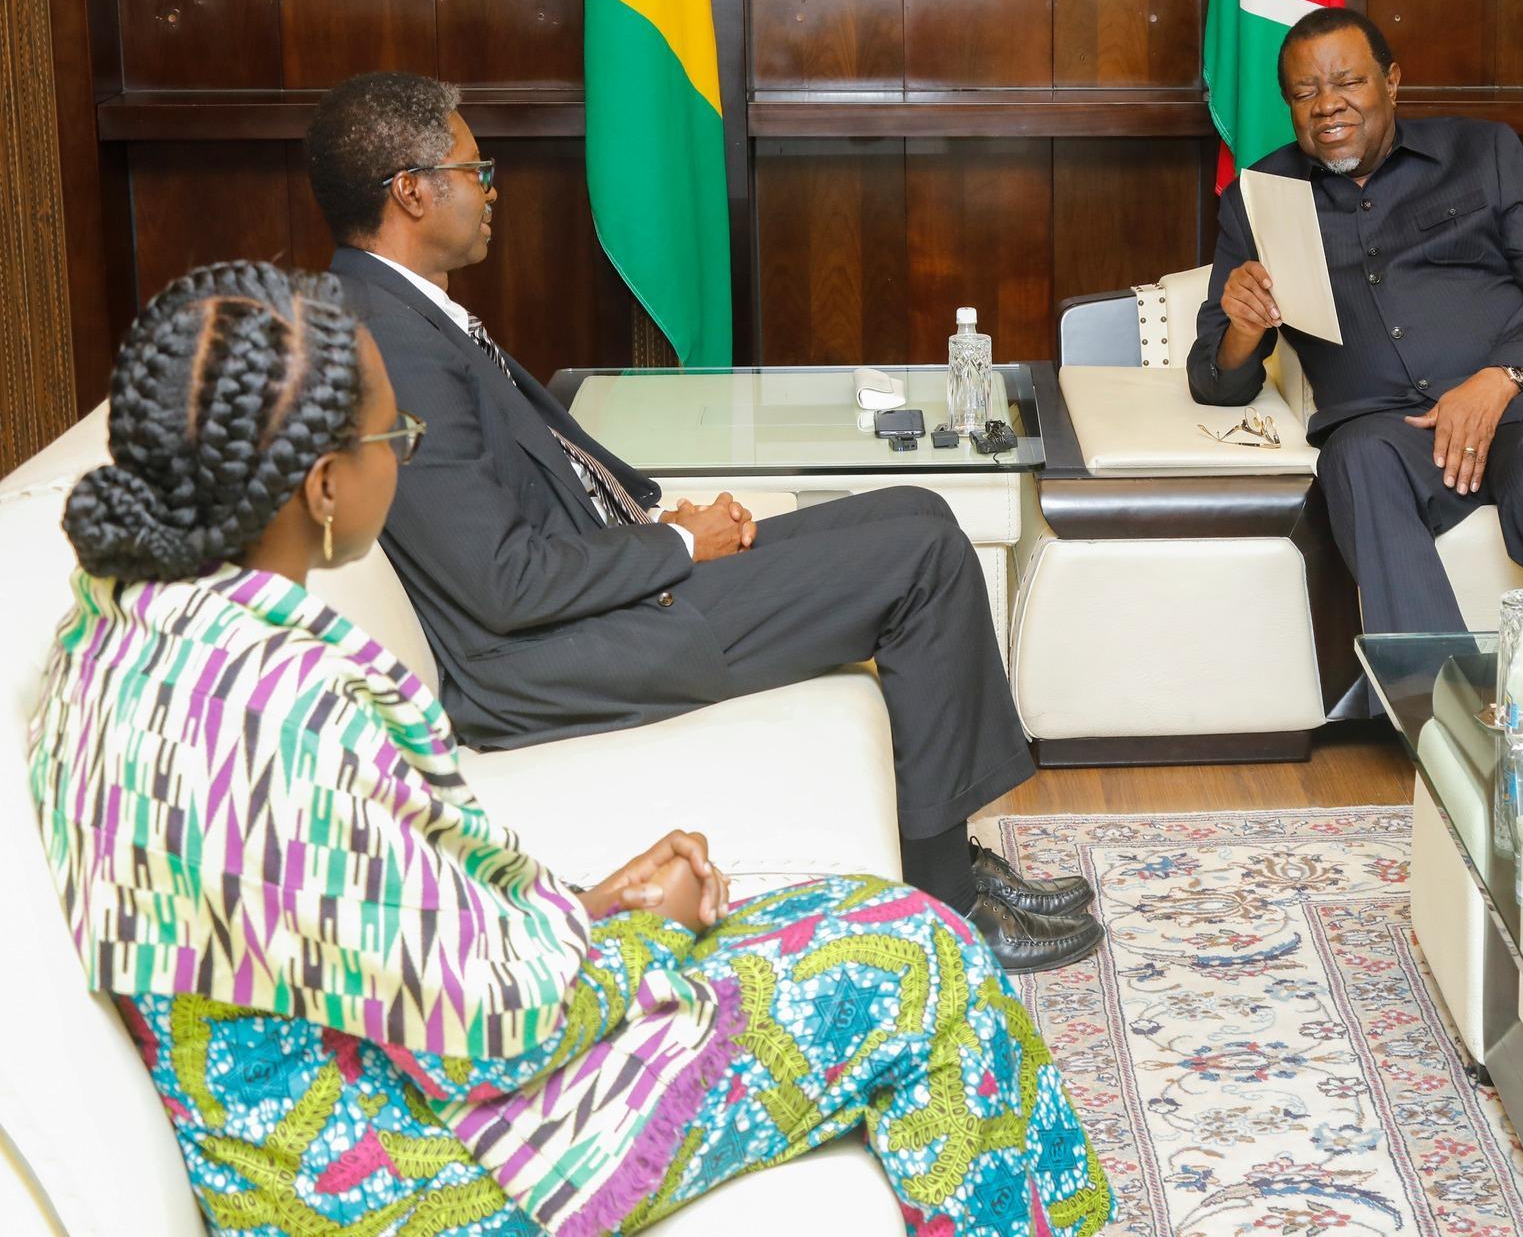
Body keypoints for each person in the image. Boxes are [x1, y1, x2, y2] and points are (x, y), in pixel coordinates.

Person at [26, 260, 1113, 1237]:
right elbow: (502, 1019)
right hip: (413, 1170)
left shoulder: (119, 638)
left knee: (858, 915)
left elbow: (373, 934)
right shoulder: (282, 712)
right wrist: (643, 933)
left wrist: (587, 905)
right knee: (919, 965)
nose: (405, 459)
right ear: (323, 488)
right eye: (394, 439)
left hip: (350, 1110)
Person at [302, 71, 1097, 972]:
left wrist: (656, 520)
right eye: (474, 169)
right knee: (919, 558)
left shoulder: (401, 310)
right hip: (552, 656)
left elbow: (531, 492)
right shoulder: (391, 342)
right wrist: (678, 545)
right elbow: (502, 581)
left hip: (593, 598)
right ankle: (949, 899)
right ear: (412, 190)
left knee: (919, 510)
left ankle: (950, 856)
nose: (491, 190)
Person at [1189, 7, 1523, 665]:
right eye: (1305, 91)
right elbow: (1216, 382)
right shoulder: (1260, 197)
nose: (1327, 104)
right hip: (1399, 433)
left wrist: (1497, 381)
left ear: (1391, 81)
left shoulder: (1482, 153)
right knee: (1354, 458)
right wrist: (1242, 327)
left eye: (1347, 81)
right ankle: (1440, 704)